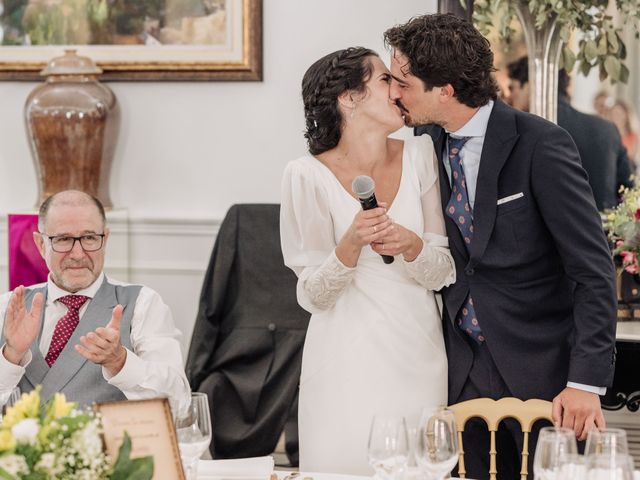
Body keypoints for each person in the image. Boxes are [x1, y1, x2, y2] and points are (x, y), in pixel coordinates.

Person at [385, 14, 617, 480]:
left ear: (445, 89)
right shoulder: (421, 145)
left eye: (403, 82)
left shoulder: (542, 145)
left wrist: (584, 383)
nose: (394, 93)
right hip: (460, 372)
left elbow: (592, 271)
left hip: (544, 376)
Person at [280, 47, 456, 474]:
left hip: (419, 353)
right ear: (349, 97)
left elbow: (444, 271)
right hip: (344, 361)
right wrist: (350, 246)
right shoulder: (305, 175)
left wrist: (411, 244)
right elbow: (312, 297)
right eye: (383, 79)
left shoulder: (420, 155)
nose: (397, 89)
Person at [0, 190, 191, 412]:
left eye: (90, 238)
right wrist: (11, 355)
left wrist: (120, 362)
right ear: (41, 244)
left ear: (105, 239)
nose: (78, 254)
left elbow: (179, 402)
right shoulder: (9, 307)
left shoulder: (143, 303)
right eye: (63, 239)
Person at [506, 56, 633, 211]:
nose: (509, 97)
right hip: (604, 231)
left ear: (530, 85)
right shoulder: (606, 129)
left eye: (513, 88)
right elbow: (628, 190)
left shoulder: (528, 132)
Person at [609, 99, 639, 166]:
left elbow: (631, 157)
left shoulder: (633, 135)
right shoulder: (607, 133)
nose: (616, 117)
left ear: (626, 115)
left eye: (618, 114)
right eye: (613, 113)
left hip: (627, 169)